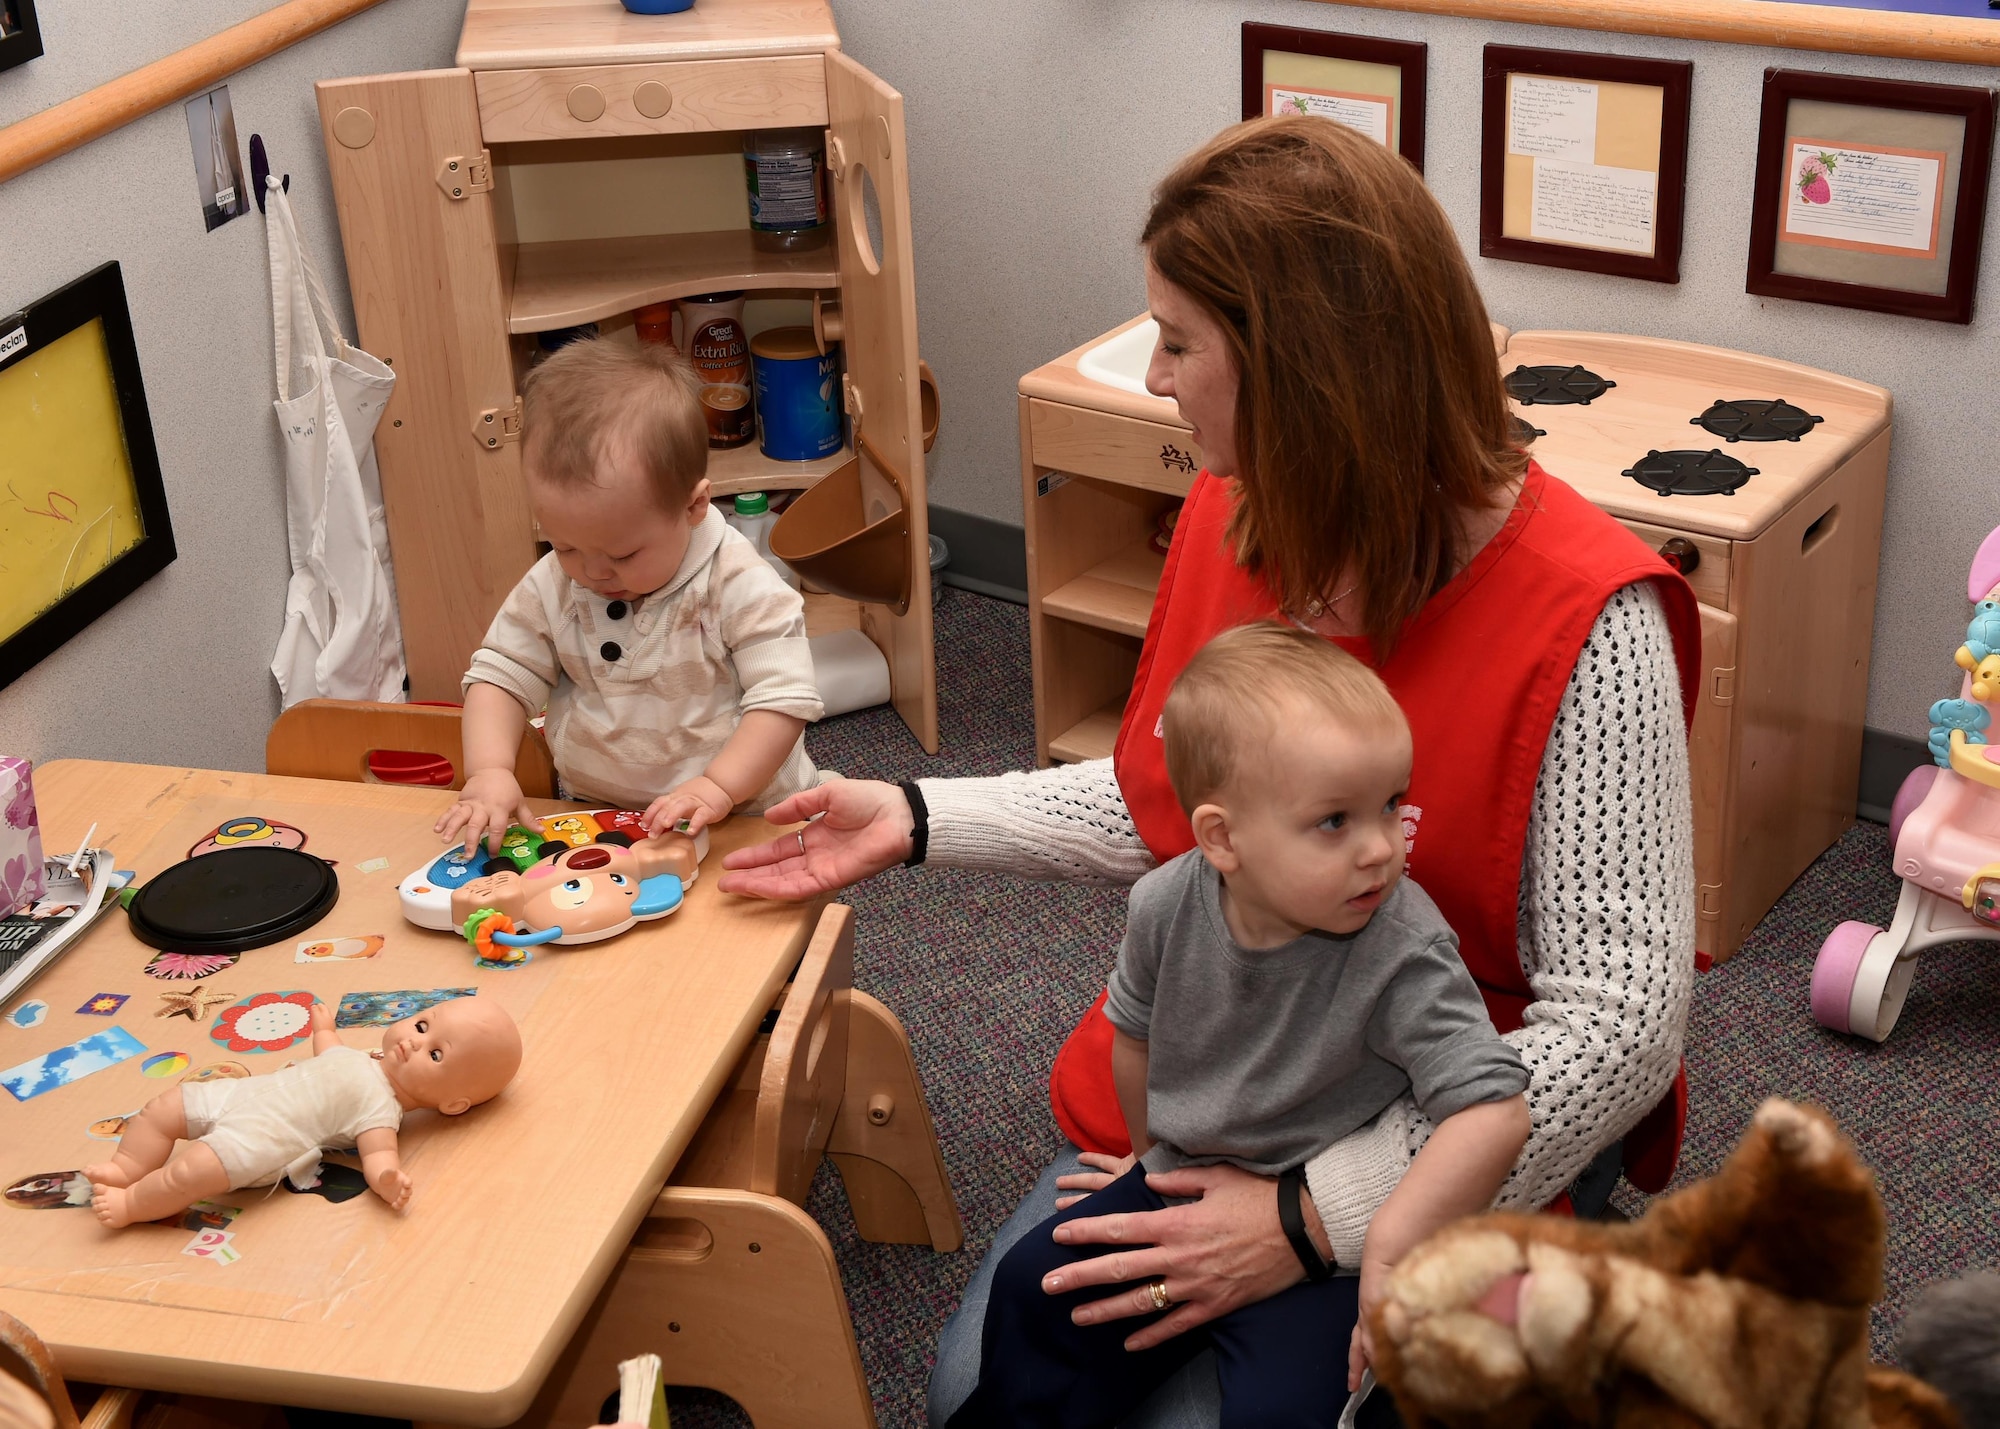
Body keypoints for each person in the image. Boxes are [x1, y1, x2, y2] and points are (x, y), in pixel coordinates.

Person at [718, 113, 1702, 1429]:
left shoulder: (1594, 622)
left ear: (1302, 370)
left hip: (1451, 1107)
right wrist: (911, 815)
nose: (1158, 377)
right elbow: (1177, 813)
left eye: (1181, 342)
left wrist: (1311, 1220)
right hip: (1242, 1064)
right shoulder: (1237, 516)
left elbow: (1619, 1029)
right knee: (977, 1390)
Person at [949, 624, 1531, 1427]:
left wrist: (1390, 1247)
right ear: (1222, 838)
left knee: (1285, 1410)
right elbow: (1135, 1034)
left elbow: (1496, 1108)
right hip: (1192, 1179)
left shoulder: (1405, 945)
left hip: (1324, 1246)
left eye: (1392, 805)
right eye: (1335, 820)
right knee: (1032, 1292)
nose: (1382, 848)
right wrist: (1147, 1158)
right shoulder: (1163, 902)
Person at [437, 339, 823, 854]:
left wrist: (719, 787)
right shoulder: (557, 579)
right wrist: (488, 771)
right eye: (565, 545)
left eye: (622, 554)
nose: (592, 572)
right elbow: (501, 676)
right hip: (593, 810)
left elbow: (783, 701)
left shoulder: (738, 583)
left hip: (745, 813)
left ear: (694, 506)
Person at [85, 997, 522, 1226]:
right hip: (241, 1094)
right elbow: (330, 1054)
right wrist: (325, 1030)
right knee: (161, 1109)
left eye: (437, 1054)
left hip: (261, 1140)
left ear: (453, 1104)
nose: (414, 1041)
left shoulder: (380, 1111)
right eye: (423, 1026)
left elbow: (378, 1156)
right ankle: (126, 1167)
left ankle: (131, 1204)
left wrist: (387, 1180)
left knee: (188, 1173)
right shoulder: (361, 1058)